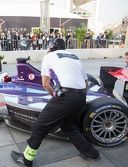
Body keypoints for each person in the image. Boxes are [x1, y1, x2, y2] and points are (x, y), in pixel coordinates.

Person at [11, 38, 100, 167]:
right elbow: (85, 82)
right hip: (81, 96)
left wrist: (55, 96)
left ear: (51, 47)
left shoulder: (49, 56)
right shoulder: (74, 56)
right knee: (69, 126)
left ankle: (26, 159)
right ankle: (92, 153)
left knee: (39, 126)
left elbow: (45, 84)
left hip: (66, 96)